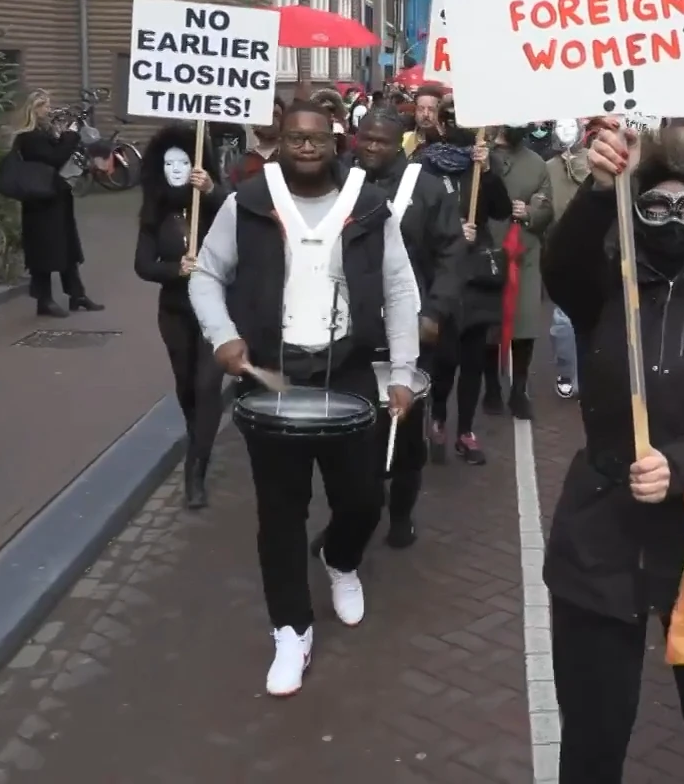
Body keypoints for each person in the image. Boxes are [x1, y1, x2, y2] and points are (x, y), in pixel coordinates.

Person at [543, 118, 684, 784]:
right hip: (600, 531)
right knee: (593, 734)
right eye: (655, 206)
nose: (673, 221)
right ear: (635, 212)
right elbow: (560, 266)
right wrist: (598, 189)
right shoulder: (603, 296)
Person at [187, 100, 422, 696]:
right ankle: (291, 629)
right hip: (271, 372)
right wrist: (223, 335)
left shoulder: (370, 207)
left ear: (336, 142)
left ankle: (341, 558)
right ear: (280, 142)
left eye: (318, 138)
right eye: (296, 138)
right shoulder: (246, 202)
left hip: (345, 374)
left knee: (363, 497)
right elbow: (206, 275)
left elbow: (399, 290)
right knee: (281, 513)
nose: (308, 148)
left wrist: (401, 369)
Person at [343, 107, 466, 545]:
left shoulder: (428, 189)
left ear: (400, 143)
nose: (371, 147)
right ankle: (357, 513)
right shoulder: (343, 182)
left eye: (381, 141)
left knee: (405, 429)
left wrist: (434, 312)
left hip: (412, 327)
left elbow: (453, 253)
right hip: (355, 329)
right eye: (365, 139)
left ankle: (401, 515)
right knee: (353, 426)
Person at [134, 125, 225, 510]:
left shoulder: (214, 203)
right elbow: (142, 265)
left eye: (184, 161)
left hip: (215, 311)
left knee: (207, 387)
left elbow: (241, 215)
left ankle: (196, 469)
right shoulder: (155, 212)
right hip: (174, 312)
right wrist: (176, 268)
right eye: (169, 162)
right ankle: (197, 434)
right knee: (187, 387)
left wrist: (212, 192)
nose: (176, 168)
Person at [414, 107, 509, 464]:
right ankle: (438, 415)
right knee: (446, 355)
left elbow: (500, 211)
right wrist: (451, 229)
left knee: (473, 357)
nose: (460, 129)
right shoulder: (425, 166)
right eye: (452, 120)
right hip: (446, 273)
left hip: (479, 274)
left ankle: (466, 430)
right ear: (442, 124)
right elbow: (416, 216)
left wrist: (487, 172)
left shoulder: (481, 167)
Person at [11, 90, 104, 318]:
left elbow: (58, 152)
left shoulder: (44, 132)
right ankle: (44, 300)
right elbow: (54, 158)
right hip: (40, 203)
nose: (49, 110)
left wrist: (63, 137)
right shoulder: (28, 137)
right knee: (44, 251)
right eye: (44, 106)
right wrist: (70, 136)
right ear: (33, 110)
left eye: (49, 105)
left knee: (67, 248)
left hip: (57, 198)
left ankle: (77, 295)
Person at [491, 123, 554, 420]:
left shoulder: (537, 164)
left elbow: (546, 207)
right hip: (488, 250)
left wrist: (530, 213)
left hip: (524, 253)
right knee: (488, 321)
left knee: (526, 323)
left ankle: (519, 388)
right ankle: (491, 385)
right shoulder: (482, 157)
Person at [543, 119, 589, 400]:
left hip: (593, 247)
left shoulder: (594, 163)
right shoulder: (548, 168)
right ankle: (566, 371)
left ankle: (588, 372)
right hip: (560, 248)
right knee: (562, 321)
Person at [231, 99, 285, 185]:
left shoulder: (291, 159)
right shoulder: (241, 162)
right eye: (264, 116)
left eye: (276, 115)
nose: (270, 120)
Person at [401, 85, 446, 158]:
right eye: (421, 109)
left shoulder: (452, 138)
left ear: (439, 111)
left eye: (431, 109)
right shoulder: (403, 132)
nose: (425, 114)